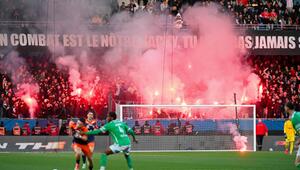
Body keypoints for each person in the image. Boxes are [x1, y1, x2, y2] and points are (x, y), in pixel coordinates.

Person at [285, 102, 300, 167]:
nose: (284, 108)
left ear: (287, 108)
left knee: (297, 163)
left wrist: (298, 141)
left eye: (285, 106)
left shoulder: (295, 118)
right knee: (296, 163)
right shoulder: (297, 114)